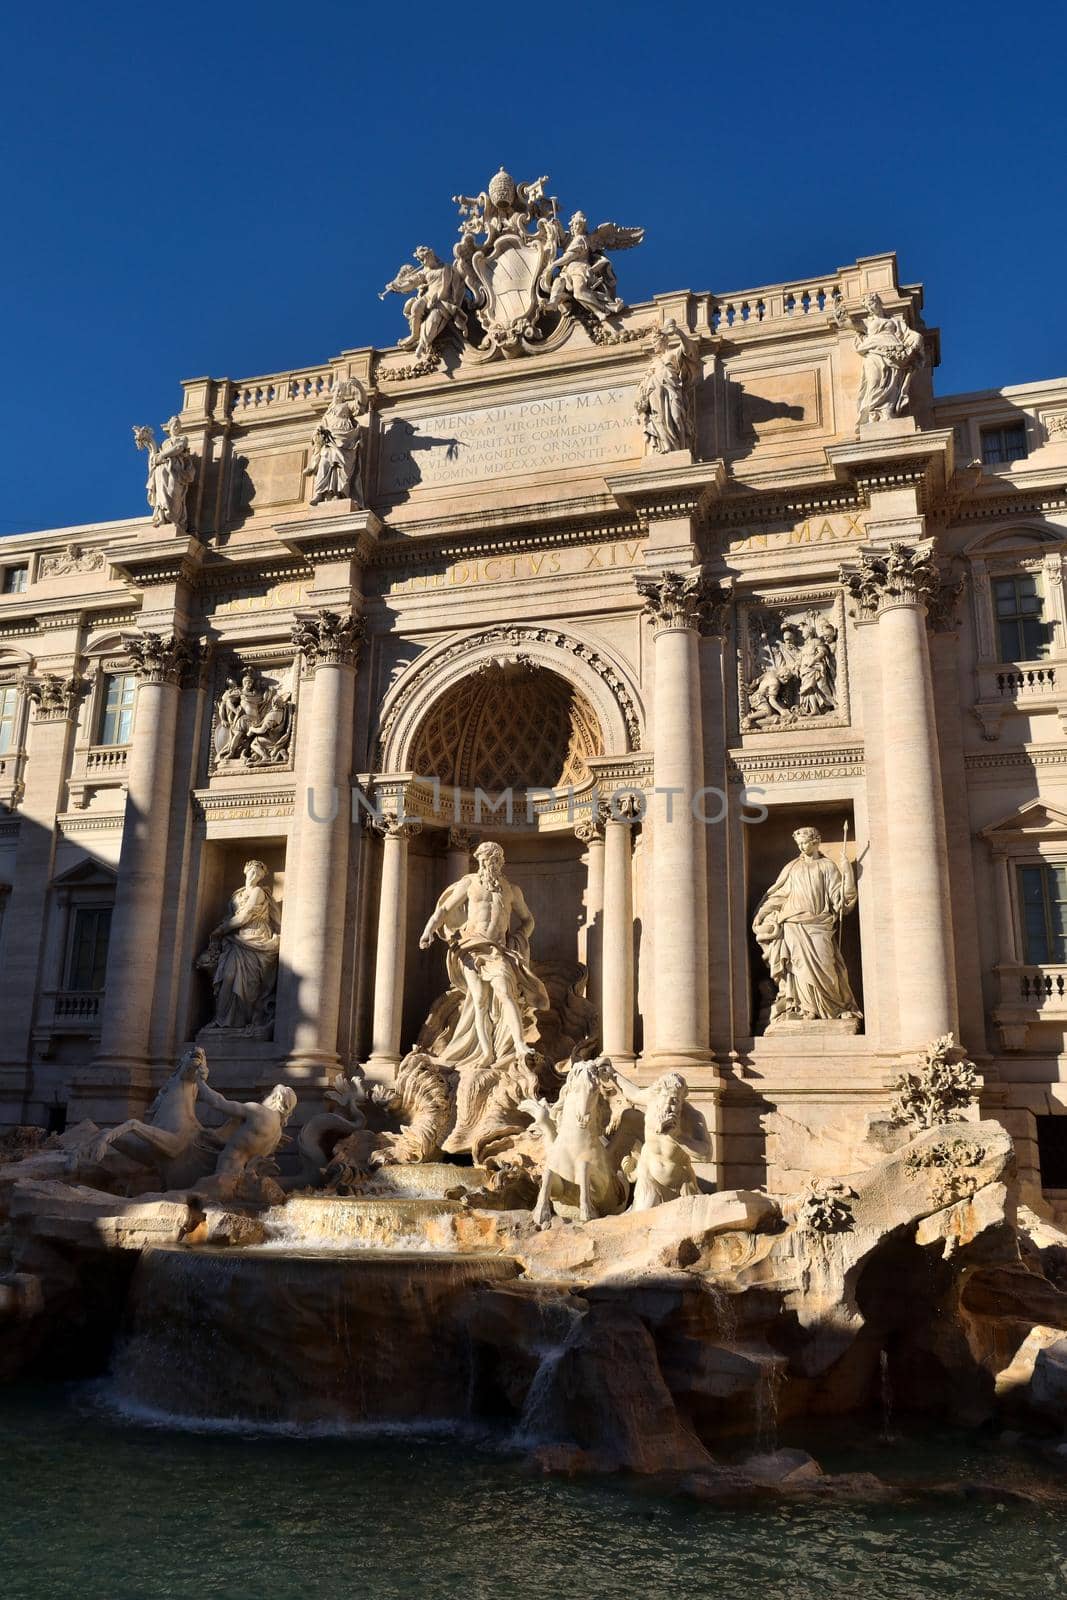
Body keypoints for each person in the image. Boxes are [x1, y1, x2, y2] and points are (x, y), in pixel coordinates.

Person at [419, 841, 548, 1069]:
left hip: (497, 950)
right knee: (478, 1000)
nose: (488, 864)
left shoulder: (511, 890)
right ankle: (486, 1052)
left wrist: (518, 939)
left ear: (500, 861)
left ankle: (519, 1044)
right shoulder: (469, 883)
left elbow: (528, 920)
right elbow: (445, 910)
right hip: (470, 945)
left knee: (505, 992)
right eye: (484, 859)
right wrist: (428, 931)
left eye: (493, 860)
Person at [753, 827, 860, 1026]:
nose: (802, 847)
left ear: (816, 841)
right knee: (798, 967)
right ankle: (806, 1008)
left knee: (826, 966)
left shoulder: (828, 866)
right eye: (799, 844)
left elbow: (841, 900)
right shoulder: (792, 867)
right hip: (793, 923)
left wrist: (847, 872)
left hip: (819, 924)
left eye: (806, 843)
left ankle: (834, 1007)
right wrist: (763, 912)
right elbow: (778, 895)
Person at [200, 860, 281, 1032]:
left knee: (249, 985)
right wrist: (222, 932)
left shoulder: (258, 891)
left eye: (259, 874)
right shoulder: (236, 895)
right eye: (252, 871)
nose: (255, 875)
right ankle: (222, 1020)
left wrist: (220, 930)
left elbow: (245, 915)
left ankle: (242, 1022)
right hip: (235, 941)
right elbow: (231, 916)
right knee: (227, 977)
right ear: (245, 871)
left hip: (255, 938)